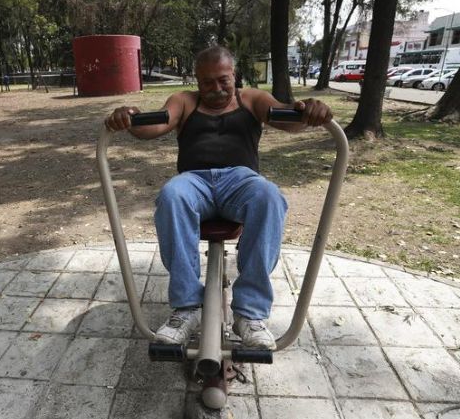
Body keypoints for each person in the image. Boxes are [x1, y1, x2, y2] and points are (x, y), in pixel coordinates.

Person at [104, 46, 332, 350]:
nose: (216, 88)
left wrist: (307, 114)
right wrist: (130, 119)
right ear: (197, 81)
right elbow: (156, 125)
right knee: (172, 194)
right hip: (194, 182)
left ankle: (249, 314)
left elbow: (286, 118)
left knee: (269, 196)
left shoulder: (250, 98)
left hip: (241, 181)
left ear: (233, 75)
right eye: (207, 82)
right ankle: (186, 310)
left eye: (223, 80)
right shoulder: (184, 101)